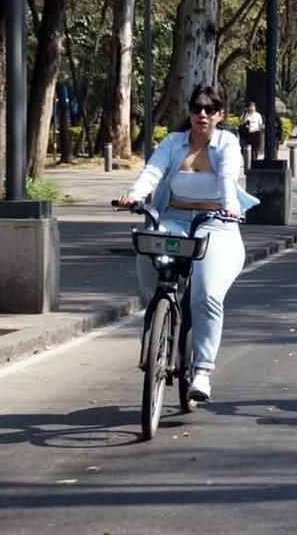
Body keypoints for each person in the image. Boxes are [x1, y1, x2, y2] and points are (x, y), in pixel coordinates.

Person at [117, 84, 260, 402]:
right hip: (174, 219)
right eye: (197, 108)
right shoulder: (173, 142)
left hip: (218, 225)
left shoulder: (228, 143)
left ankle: (202, 371)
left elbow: (226, 177)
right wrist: (136, 195)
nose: (203, 114)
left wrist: (230, 204)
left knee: (206, 293)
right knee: (149, 252)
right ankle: (158, 325)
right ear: (190, 112)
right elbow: (153, 171)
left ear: (221, 114)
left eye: (210, 109)